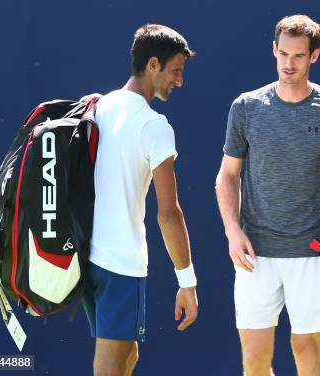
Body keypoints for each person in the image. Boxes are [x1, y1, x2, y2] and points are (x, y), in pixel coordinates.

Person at [215, 14, 320, 376]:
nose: (288, 63)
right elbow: (227, 176)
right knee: (254, 360)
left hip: (311, 254)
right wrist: (233, 233)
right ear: (274, 50)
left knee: (309, 355)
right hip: (254, 255)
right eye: (282, 54)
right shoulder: (246, 107)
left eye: (298, 55)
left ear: (314, 56)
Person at [82, 24, 199, 376]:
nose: (180, 81)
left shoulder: (100, 105)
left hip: (89, 258)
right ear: (153, 65)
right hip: (120, 266)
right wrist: (187, 282)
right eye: (176, 71)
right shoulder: (154, 125)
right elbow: (168, 213)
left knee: (127, 355)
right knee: (111, 365)